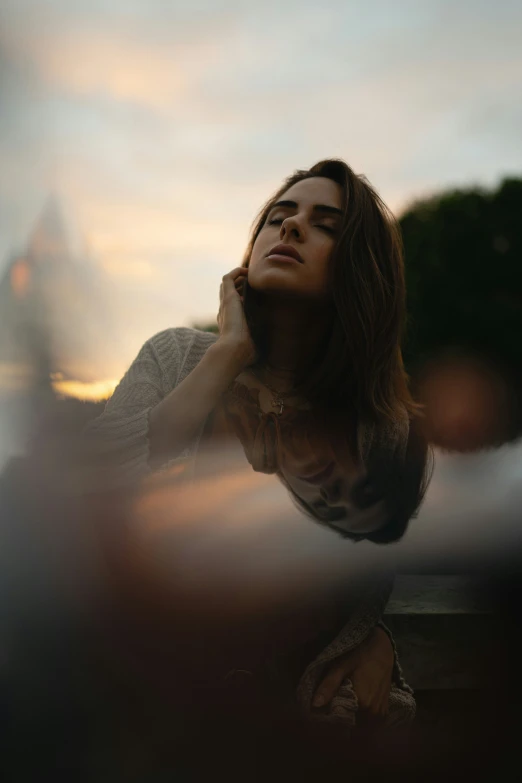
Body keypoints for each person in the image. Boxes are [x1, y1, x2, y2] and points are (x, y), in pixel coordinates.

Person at [85, 158, 433, 737]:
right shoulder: (175, 358)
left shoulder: (383, 429)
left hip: (295, 738)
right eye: (279, 215)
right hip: (149, 722)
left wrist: (371, 637)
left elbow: (366, 582)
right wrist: (226, 356)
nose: (291, 227)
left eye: (325, 224)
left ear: (362, 268)